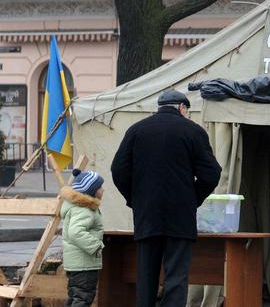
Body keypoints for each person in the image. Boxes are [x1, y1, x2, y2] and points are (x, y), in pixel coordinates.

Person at [111, 90, 221, 307]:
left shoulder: (136, 130)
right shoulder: (193, 131)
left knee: (146, 276)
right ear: (182, 108)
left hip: (147, 214)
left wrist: (135, 199)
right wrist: (192, 198)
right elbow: (212, 174)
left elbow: (118, 170)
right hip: (180, 216)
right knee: (177, 277)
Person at [61, 169, 105, 307]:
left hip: (77, 263)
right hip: (84, 264)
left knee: (75, 297)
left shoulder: (78, 207)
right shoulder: (84, 209)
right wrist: (96, 246)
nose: (103, 190)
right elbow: (75, 232)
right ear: (91, 191)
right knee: (83, 298)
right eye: (100, 187)